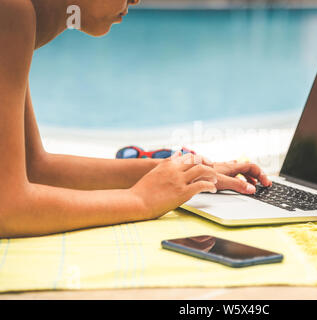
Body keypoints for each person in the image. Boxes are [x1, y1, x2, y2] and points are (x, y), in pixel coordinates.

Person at [0, 0, 271, 238]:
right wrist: (139, 200)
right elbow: (8, 207)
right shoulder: (11, 9)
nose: (137, 0)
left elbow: (34, 168)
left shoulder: (21, 18)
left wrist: (182, 172)